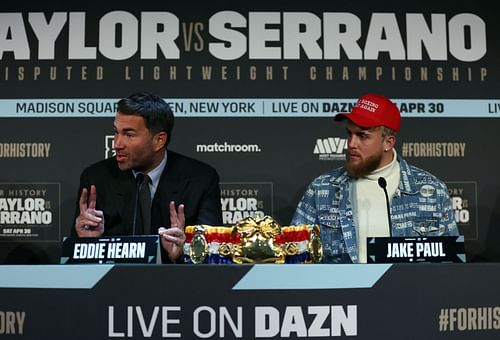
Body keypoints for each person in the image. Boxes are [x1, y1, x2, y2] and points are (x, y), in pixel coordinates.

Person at [291, 93, 459, 263]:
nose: (351, 144)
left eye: (362, 136)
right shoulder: (322, 188)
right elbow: (295, 257)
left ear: (388, 142)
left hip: (410, 289)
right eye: (349, 134)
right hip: (342, 290)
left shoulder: (431, 191)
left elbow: (450, 266)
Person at [73, 92, 222, 263]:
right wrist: (88, 244)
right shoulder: (96, 178)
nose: (117, 144)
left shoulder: (200, 179)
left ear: (159, 140)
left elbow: (214, 254)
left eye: (129, 135)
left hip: (177, 285)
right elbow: (75, 265)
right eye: (116, 132)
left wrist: (184, 253)